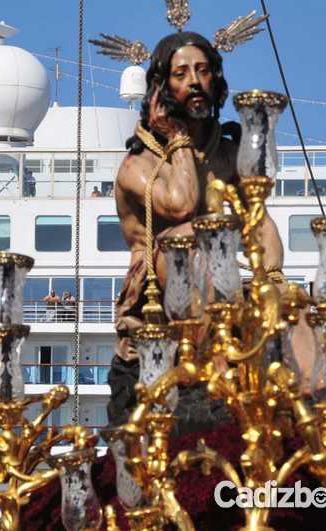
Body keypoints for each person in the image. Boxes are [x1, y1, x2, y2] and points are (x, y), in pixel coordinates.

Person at [109, 31, 293, 427]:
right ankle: (221, 371)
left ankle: (316, 398)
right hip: (161, 296)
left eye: (203, 70)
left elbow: (259, 222)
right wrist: (176, 137)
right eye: (181, 73)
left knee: (298, 304)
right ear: (160, 88)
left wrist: (274, 279)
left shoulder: (226, 153)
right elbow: (181, 203)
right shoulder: (137, 165)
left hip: (224, 288)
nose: (194, 80)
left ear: (216, 80)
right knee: (187, 239)